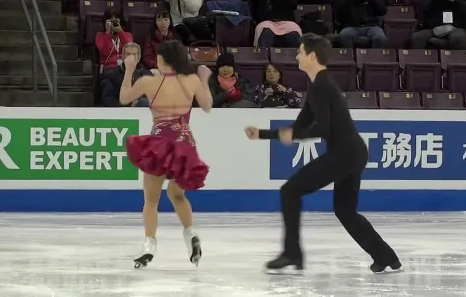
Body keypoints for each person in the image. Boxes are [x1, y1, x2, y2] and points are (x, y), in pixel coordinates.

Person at [244, 33, 401, 274]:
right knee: (345, 211)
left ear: (312, 56)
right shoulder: (318, 85)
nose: (297, 55)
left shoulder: (324, 85)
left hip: (345, 154)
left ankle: (292, 253)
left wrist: (293, 136)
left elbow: (321, 128)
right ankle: (386, 256)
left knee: (290, 191)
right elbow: (300, 125)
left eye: (300, 51)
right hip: (352, 153)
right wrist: (264, 134)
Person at [119, 40, 213, 269]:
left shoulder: (149, 82)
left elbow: (123, 98)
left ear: (162, 60)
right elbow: (208, 105)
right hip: (184, 144)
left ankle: (149, 245)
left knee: (151, 201)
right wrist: (204, 80)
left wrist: (129, 69)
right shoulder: (190, 81)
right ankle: (191, 235)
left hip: (160, 144)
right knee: (177, 194)